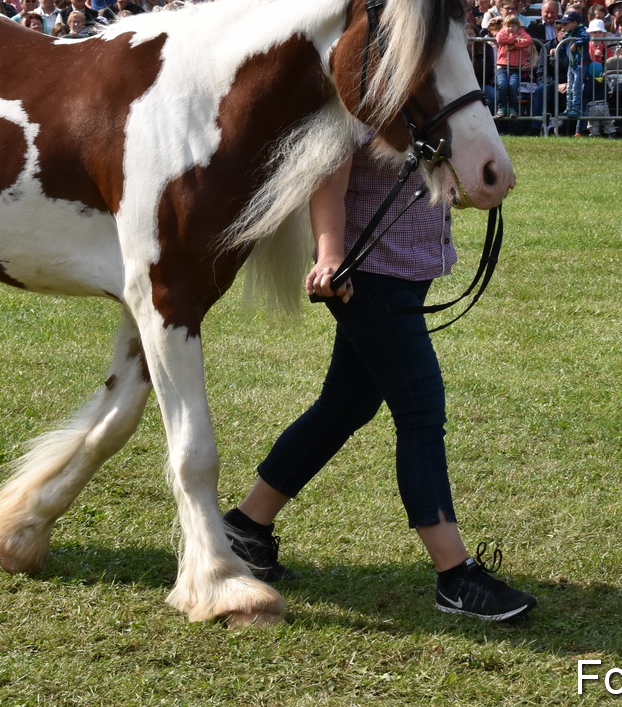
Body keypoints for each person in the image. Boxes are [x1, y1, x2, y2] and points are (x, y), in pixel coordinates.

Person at [222, 146, 537, 624]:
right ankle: (455, 578)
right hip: (364, 273)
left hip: (406, 267)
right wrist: (331, 256)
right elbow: (327, 181)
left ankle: (245, 528)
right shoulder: (357, 106)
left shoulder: (422, 101)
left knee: (344, 406)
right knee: (420, 412)